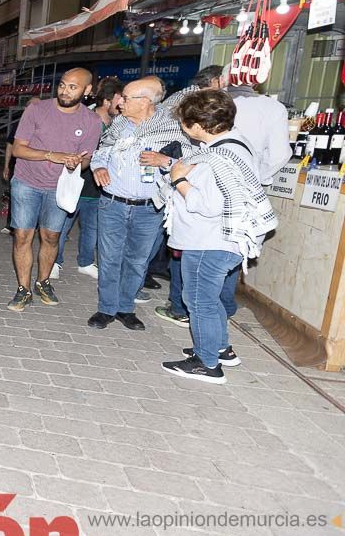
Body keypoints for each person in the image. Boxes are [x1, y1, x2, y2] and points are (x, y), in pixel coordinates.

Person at [160, 90, 278, 383]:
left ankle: (206, 363)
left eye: (185, 122)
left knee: (199, 300)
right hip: (222, 241)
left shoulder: (219, 157)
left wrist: (179, 180)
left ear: (197, 125)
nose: (183, 128)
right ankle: (220, 348)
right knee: (210, 299)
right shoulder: (232, 144)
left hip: (210, 241)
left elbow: (207, 204)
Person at [87, 76, 190, 331]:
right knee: (109, 258)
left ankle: (125, 308)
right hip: (112, 203)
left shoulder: (173, 127)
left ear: (144, 101)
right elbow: (101, 151)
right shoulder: (119, 123)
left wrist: (163, 161)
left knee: (137, 260)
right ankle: (106, 309)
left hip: (149, 207)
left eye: (126, 97)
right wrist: (98, 166)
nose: (119, 102)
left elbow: (188, 164)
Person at [7, 69, 100, 311]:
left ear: (87, 91)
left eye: (73, 87)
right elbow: (18, 149)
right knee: (22, 236)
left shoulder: (91, 121)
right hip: (27, 182)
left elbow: (87, 160)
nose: (65, 91)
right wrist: (53, 156)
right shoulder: (37, 110)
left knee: (51, 237)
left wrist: (75, 162)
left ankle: (43, 282)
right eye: (62, 85)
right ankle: (23, 289)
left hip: (60, 188)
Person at [56, 77, 122, 279]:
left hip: (99, 189)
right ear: (107, 101)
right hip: (76, 184)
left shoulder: (117, 125)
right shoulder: (86, 120)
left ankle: (85, 262)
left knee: (91, 228)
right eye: (119, 103)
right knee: (62, 226)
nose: (121, 108)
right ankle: (55, 262)